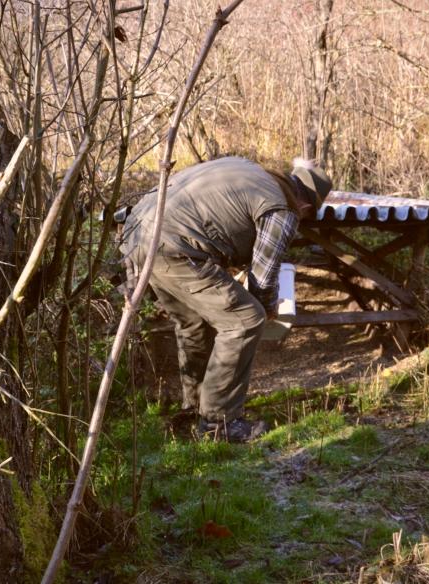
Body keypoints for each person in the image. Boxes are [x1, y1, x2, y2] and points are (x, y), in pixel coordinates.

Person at [119, 156, 333, 442]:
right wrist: (267, 309)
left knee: (194, 324)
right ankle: (219, 422)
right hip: (174, 246)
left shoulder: (248, 170)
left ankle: (195, 409)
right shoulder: (282, 209)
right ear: (306, 206)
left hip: (137, 233)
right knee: (245, 320)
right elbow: (264, 277)